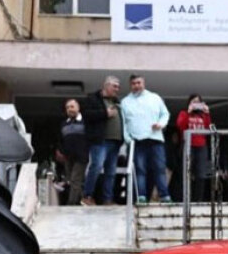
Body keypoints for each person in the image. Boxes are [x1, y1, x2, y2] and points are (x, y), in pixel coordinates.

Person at [118, 74, 171, 203]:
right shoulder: (125, 102)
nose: (136, 86)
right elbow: (123, 123)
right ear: (130, 85)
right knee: (140, 170)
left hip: (155, 139)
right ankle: (141, 196)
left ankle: (164, 196)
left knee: (159, 168)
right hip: (137, 141)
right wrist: (128, 139)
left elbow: (165, 114)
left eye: (139, 83)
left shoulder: (155, 98)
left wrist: (160, 124)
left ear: (144, 83)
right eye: (134, 83)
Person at [80, 76, 123, 205]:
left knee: (111, 172)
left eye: (118, 87)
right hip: (100, 141)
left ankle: (107, 199)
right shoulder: (92, 98)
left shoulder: (117, 102)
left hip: (115, 142)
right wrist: (105, 114)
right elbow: (86, 115)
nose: (117, 89)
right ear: (106, 86)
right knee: (96, 167)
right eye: (114, 86)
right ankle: (87, 196)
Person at [176, 94, 213, 202]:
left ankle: (198, 200)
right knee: (186, 173)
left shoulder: (203, 116)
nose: (195, 104)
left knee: (201, 174)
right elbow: (180, 125)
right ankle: (185, 199)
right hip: (188, 146)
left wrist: (207, 113)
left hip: (201, 147)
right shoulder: (183, 113)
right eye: (193, 102)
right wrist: (188, 112)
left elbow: (209, 128)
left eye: (198, 102)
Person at [58, 99, 88, 205]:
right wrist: (60, 151)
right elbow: (61, 139)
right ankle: (80, 201)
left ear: (78, 108)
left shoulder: (86, 122)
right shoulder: (64, 124)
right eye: (67, 107)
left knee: (75, 179)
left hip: (81, 156)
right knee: (72, 180)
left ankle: (71, 203)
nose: (69, 109)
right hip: (68, 157)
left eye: (72, 106)